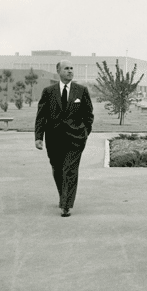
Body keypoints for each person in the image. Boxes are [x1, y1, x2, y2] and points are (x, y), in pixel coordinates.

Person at [35, 60, 94, 217]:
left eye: (71, 68)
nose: (70, 71)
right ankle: (64, 196)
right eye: (66, 68)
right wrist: (38, 137)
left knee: (70, 170)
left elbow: (89, 115)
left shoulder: (81, 91)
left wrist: (85, 132)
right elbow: (41, 116)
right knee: (57, 169)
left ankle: (66, 205)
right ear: (58, 71)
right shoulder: (48, 91)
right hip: (54, 139)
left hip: (75, 139)